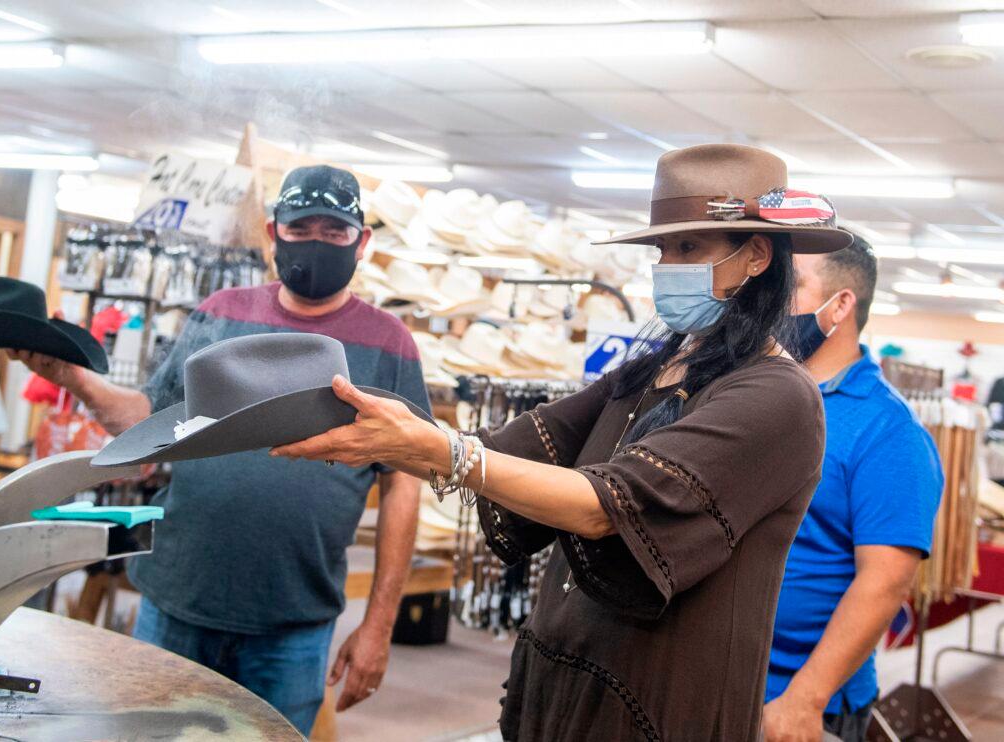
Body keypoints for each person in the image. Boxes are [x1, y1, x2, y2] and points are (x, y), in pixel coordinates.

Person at [272, 144, 853, 740]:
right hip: (569, 687)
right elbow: (516, 446)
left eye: (687, 248)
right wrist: (382, 431)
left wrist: (438, 452)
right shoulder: (657, 369)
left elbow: (608, 505)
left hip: (658, 703)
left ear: (756, 255)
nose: (666, 264)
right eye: (661, 248)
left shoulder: (779, 397)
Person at [11, 165, 430, 734]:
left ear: (363, 241)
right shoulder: (221, 313)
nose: (315, 242)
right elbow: (150, 421)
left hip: (294, 618)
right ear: (270, 231)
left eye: (334, 231)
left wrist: (379, 624)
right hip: (179, 595)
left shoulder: (389, 343)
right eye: (300, 226)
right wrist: (73, 378)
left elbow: (404, 482)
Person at [762, 234, 943, 742]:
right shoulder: (755, 395)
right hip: (719, 674)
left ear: (840, 305)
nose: (770, 300)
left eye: (791, 285)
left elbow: (884, 581)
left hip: (795, 699)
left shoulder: (889, 432)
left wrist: (804, 700)